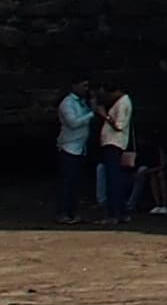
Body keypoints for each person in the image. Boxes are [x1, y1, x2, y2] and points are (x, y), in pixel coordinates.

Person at [54, 80, 98, 222]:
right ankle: (62, 212)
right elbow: (73, 123)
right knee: (67, 182)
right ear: (74, 86)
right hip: (69, 147)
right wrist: (92, 114)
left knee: (75, 183)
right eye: (84, 86)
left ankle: (72, 211)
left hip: (80, 147)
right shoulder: (67, 103)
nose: (86, 89)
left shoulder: (82, 103)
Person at [95, 85, 139, 217]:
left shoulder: (123, 103)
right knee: (114, 178)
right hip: (113, 143)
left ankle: (115, 212)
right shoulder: (121, 102)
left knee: (113, 179)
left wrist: (105, 116)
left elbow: (119, 125)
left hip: (114, 143)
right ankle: (119, 211)